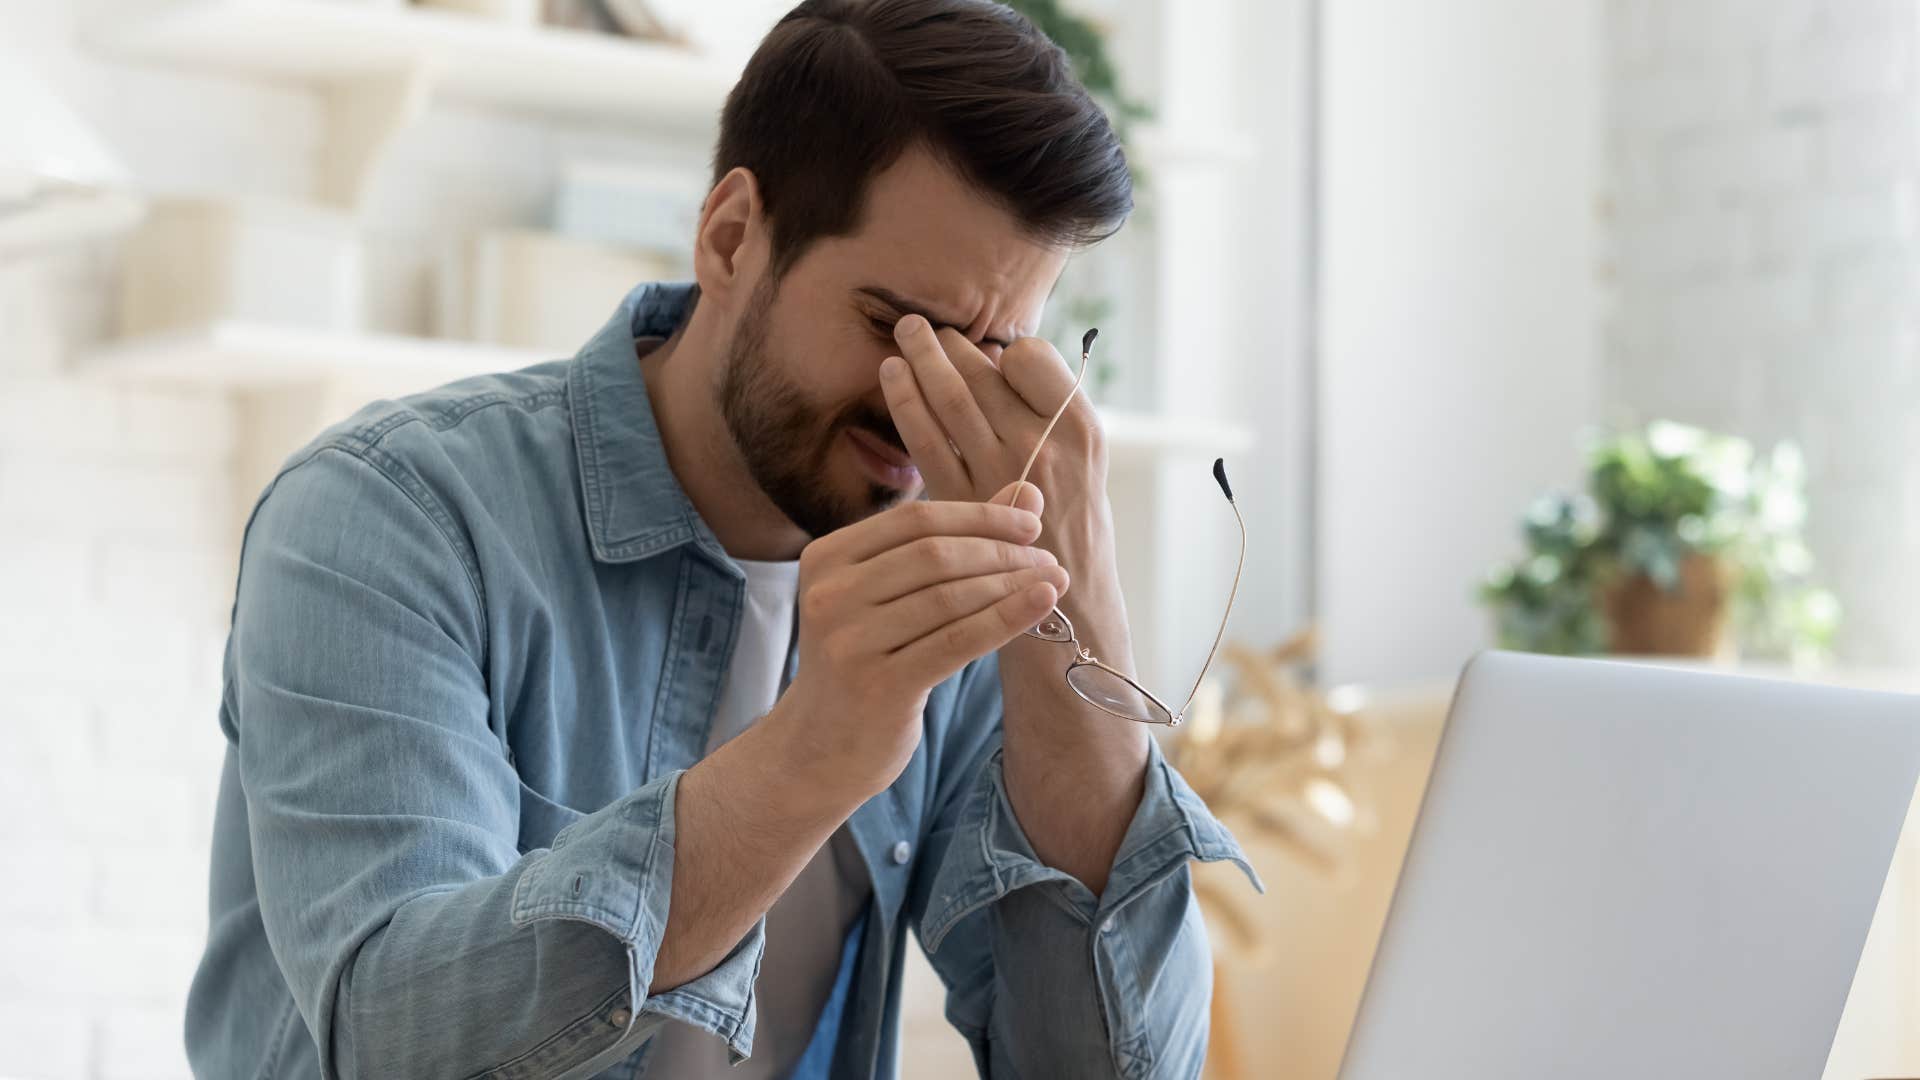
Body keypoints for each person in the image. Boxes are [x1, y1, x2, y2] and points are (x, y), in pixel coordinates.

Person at [185, 1, 1256, 1076]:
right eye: (896, 328)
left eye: (995, 353)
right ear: (732, 236)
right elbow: (395, 1042)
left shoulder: (966, 597)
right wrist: (818, 749)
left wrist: (1083, 613)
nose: (928, 405)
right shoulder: (391, 518)